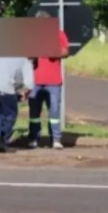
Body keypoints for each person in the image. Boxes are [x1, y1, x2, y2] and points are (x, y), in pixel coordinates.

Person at [28, 10, 70, 150]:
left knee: (54, 111)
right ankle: (34, 138)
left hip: (53, 81)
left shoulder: (58, 33)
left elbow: (66, 52)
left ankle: (56, 139)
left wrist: (54, 52)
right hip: (35, 80)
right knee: (34, 111)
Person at [0, 55, 34, 153]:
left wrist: (17, 91)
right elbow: (29, 85)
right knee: (11, 114)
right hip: (4, 88)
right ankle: (3, 140)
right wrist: (24, 95)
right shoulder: (25, 62)